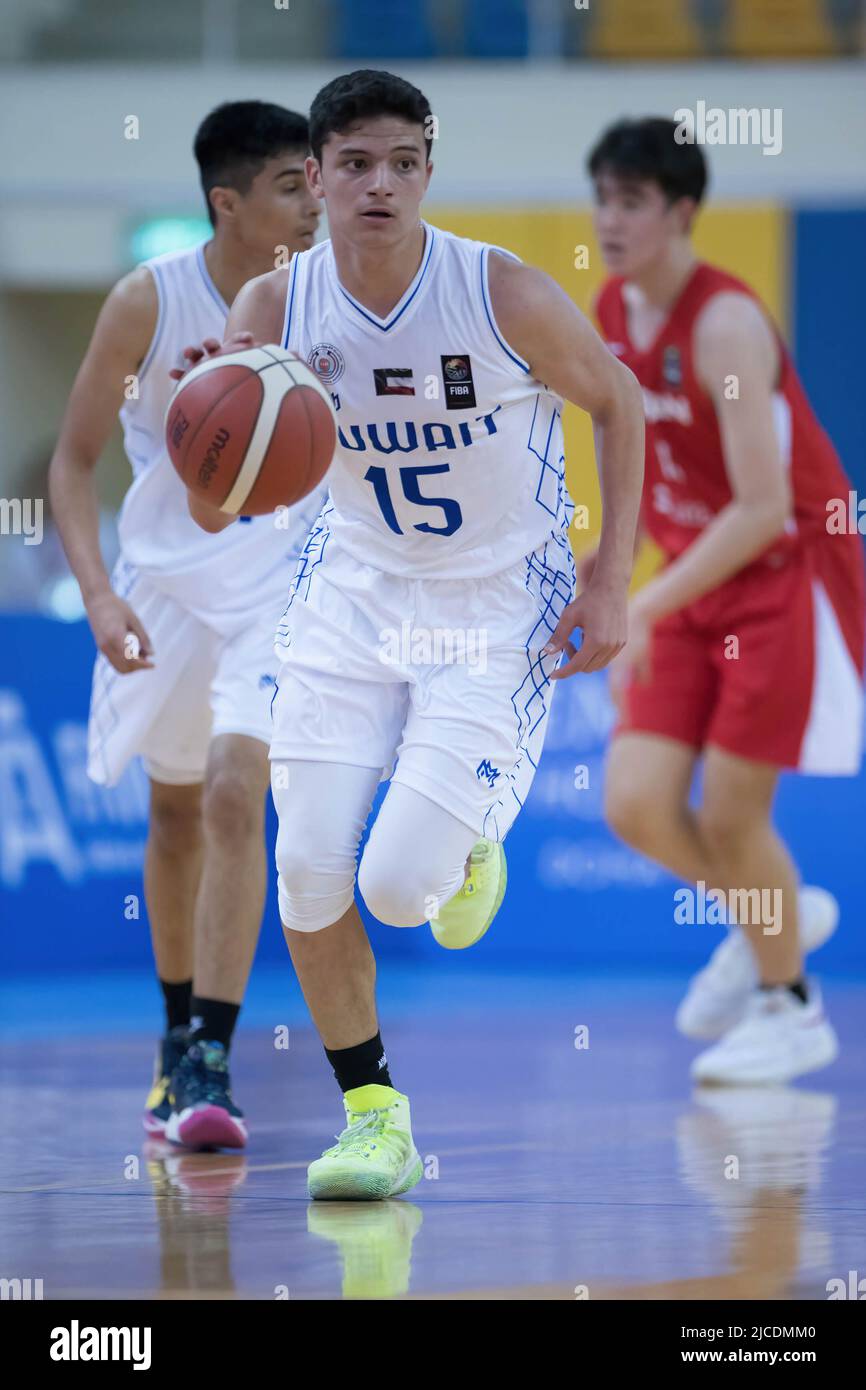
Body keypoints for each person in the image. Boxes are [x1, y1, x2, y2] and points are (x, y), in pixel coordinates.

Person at [182, 69, 644, 1199]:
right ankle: (374, 1115)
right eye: (353, 166)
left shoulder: (501, 291)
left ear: (427, 171)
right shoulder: (271, 313)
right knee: (304, 867)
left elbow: (618, 401)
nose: (378, 185)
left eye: (400, 163)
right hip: (349, 598)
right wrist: (208, 427)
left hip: (493, 605)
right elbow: (216, 505)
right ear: (317, 180)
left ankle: (474, 823)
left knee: (396, 891)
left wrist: (612, 580)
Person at [49, 101, 325, 1148]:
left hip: (277, 577)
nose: (314, 204)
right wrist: (100, 596)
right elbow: (71, 464)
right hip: (162, 578)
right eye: (292, 188)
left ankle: (213, 1049)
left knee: (231, 792)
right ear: (229, 203)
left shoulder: (324, 297)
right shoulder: (146, 302)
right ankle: (176, 1036)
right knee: (171, 816)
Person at [586, 117, 865, 1084]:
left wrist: (646, 606)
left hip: (778, 577)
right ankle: (770, 924)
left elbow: (759, 507)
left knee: (737, 814)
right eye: (603, 199)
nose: (611, 221)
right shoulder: (609, 311)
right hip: (686, 580)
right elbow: (641, 475)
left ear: (682, 212)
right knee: (632, 803)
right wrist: (614, 577)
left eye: (632, 202)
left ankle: (793, 1004)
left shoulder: (727, 326)